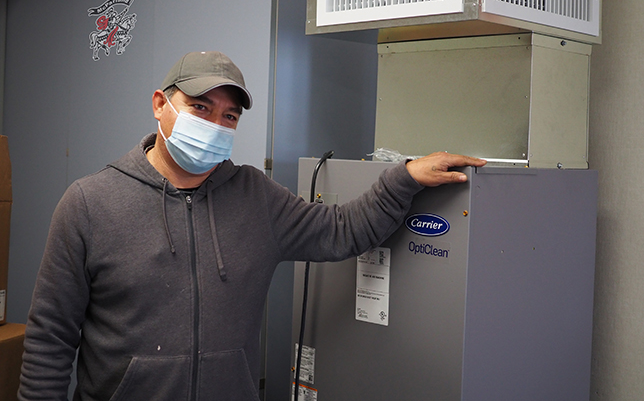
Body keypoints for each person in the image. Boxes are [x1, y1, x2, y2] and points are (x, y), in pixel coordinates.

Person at [18, 51, 486, 401]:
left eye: (229, 116)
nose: (215, 124)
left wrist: (404, 178)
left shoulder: (255, 196)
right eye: (200, 107)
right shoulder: (89, 202)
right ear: (161, 104)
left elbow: (342, 230)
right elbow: (50, 337)